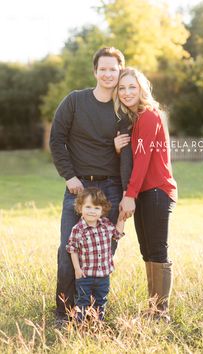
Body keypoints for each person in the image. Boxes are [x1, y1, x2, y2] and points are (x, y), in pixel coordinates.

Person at [50, 47, 133, 325]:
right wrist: (69, 175)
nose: (108, 74)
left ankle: (93, 311)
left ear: (120, 71)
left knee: (103, 252)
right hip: (78, 188)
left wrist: (125, 193)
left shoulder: (124, 111)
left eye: (114, 69)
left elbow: (126, 157)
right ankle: (64, 311)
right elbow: (57, 140)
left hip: (109, 188)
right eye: (103, 68)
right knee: (68, 248)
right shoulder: (75, 101)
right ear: (95, 71)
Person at [114, 67, 177, 322]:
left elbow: (143, 161)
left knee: (157, 251)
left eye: (132, 87)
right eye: (122, 88)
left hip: (157, 191)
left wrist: (129, 195)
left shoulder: (149, 116)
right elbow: (134, 157)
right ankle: (153, 309)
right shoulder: (136, 119)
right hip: (145, 192)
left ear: (142, 88)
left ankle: (160, 313)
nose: (127, 92)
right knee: (147, 251)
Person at [66, 187, 125, 322]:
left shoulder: (105, 225)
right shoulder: (78, 229)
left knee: (101, 301)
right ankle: (80, 325)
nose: (92, 211)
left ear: (102, 211)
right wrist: (77, 270)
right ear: (80, 208)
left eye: (97, 208)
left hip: (103, 275)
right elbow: (72, 249)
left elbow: (117, 234)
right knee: (83, 301)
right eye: (88, 207)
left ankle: (97, 324)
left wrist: (121, 219)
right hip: (85, 275)